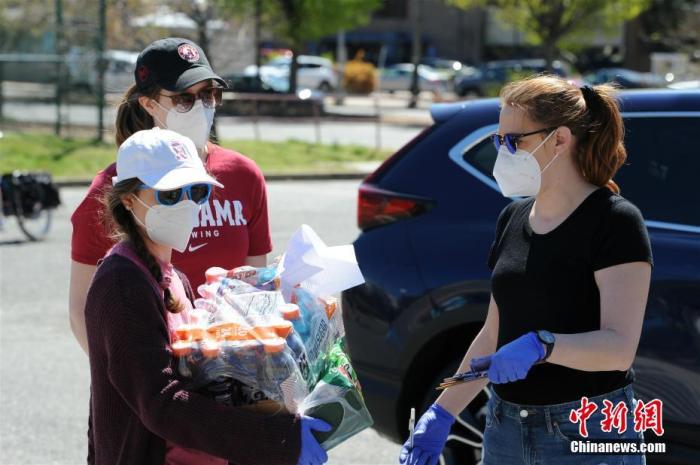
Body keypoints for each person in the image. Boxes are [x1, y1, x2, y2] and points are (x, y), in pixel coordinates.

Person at [399, 75, 653, 465]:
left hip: (588, 428)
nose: (502, 152)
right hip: (505, 428)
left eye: (513, 141)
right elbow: (493, 333)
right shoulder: (513, 218)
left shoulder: (615, 221)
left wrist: (544, 345)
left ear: (560, 139)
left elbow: (618, 349)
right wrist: (442, 411)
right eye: (498, 140)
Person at [86, 127, 330, 465]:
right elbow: (160, 402)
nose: (187, 204)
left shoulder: (173, 277)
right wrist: (277, 439)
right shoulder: (122, 284)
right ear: (129, 200)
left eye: (197, 191)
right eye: (170, 194)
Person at [70, 38, 271, 355]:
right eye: (183, 98)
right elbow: (82, 310)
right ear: (149, 104)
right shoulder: (114, 188)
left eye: (208, 94)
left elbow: (254, 286)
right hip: (150, 383)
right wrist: (130, 381)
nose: (201, 107)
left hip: (233, 370)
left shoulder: (243, 175)